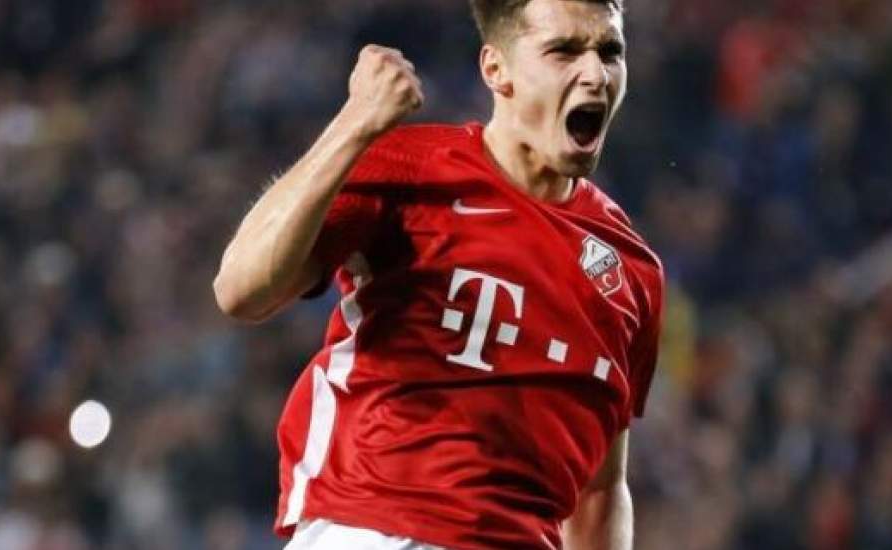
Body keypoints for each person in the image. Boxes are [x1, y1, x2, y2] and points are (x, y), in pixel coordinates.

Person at [211, 0, 663, 548]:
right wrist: (354, 123)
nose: (595, 74)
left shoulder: (631, 271)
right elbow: (241, 290)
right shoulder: (411, 169)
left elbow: (600, 489)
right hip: (376, 529)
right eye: (563, 50)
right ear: (497, 69)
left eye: (610, 52)